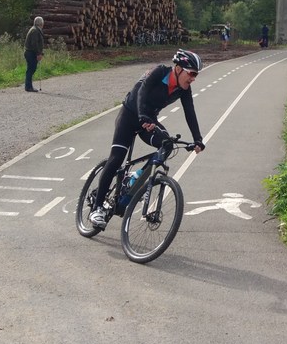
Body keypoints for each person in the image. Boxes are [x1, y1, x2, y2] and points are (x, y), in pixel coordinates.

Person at [88, 49, 206, 230]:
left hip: (148, 121)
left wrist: (198, 139)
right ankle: (97, 207)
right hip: (129, 115)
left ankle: (135, 179)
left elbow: (190, 112)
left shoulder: (184, 90)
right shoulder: (159, 72)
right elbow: (140, 91)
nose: (193, 79)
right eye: (191, 74)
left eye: (195, 75)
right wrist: (142, 115)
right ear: (178, 69)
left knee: (167, 145)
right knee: (117, 158)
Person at [23, 16, 45, 92]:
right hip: (31, 53)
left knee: (32, 69)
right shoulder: (35, 31)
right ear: (41, 23)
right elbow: (34, 44)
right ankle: (28, 87)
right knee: (31, 69)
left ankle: (28, 86)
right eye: (42, 23)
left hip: (31, 52)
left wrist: (40, 52)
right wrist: (38, 54)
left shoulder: (36, 29)